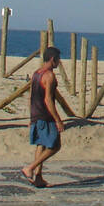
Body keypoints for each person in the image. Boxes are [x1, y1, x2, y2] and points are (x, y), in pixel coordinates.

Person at [23, 47, 66, 188]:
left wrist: (31, 118)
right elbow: (48, 100)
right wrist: (58, 120)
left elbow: (31, 97)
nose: (59, 62)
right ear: (53, 59)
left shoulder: (36, 73)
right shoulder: (49, 76)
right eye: (58, 60)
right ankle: (30, 168)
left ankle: (39, 177)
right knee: (54, 146)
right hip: (45, 116)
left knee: (41, 144)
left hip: (36, 114)